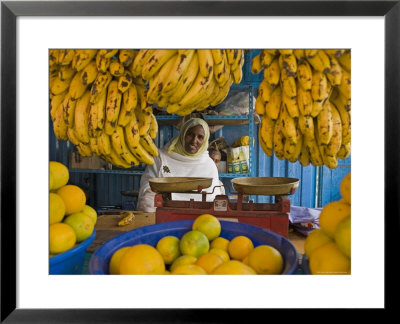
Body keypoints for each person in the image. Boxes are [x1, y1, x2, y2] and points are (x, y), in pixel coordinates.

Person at [137, 118, 223, 212]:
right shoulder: (161, 157)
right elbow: (148, 187)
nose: (194, 141)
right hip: (164, 211)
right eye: (190, 134)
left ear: (205, 140)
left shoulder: (209, 165)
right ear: (183, 134)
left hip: (198, 215)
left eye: (200, 137)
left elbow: (212, 198)